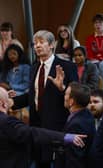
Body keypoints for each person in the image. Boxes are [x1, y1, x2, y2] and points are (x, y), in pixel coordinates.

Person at [11, 30, 79, 168]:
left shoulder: (67, 66)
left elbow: (78, 96)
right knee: (39, 162)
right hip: (36, 122)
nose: (37, 46)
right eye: (35, 43)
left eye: (41, 42)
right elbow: (33, 94)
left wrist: (62, 88)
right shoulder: (34, 67)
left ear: (52, 45)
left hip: (56, 124)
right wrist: (13, 102)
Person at [0, 86, 86, 168]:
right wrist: (64, 137)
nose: (10, 103)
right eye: (8, 100)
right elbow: (32, 133)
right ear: (2, 103)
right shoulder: (6, 122)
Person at [61, 82, 96, 168]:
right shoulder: (87, 114)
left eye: (65, 94)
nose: (64, 97)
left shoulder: (76, 125)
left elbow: (75, 159)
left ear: (71, 101)